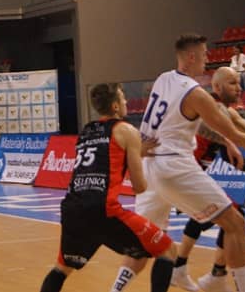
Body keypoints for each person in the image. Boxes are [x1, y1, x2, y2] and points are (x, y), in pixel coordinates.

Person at [114, 34, 245, 292]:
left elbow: (192, 123)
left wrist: (225, 141)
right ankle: (227, 282)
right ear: (192, 57)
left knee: (144, 242)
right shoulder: (196, 94)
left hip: (149, 167)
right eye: (204, 54)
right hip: (174, 166)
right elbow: (238, 134)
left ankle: (118, 289)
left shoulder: (163, 79)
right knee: (235, 223)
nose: (207, 58)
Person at [39, 83, 176, 292]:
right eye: (122, 98)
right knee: (167, 250)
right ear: (115, 106)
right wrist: (136, 153)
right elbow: (139, 187)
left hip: (72, 208)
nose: (126, 101)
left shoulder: (86, 131)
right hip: (103, 210)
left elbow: (105, 156)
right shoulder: (127, 130)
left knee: (62, 268)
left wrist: (134, 151)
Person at [170, 67, 245, 292]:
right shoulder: (211, 109)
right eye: (233, 83)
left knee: (216, 217)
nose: (239, 88)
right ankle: (204, 273)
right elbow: (230, 154)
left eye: (239, 82)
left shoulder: (226, 112)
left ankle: (201, 272)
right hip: (181, 172)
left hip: (186, 174)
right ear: (217, 87)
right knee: (231, 217)